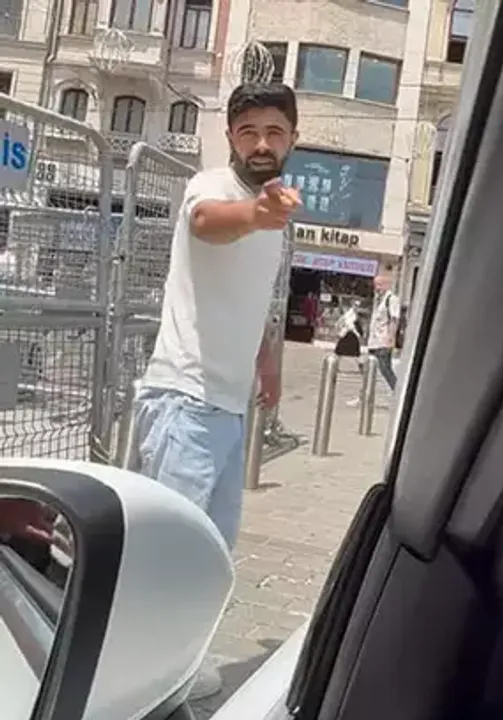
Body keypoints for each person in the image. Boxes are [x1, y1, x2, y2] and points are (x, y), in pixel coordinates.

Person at [132, 82, 300, 699]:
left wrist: (267, 361)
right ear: (230, 136)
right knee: (171, 554)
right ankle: (141, 680)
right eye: (248, 132)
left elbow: (247, 295)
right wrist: (255, 215)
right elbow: (207, 224)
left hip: (226, 408)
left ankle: (172, 669)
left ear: (292, 139)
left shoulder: (272, 211)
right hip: (185, 399)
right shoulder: (214, 188)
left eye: (274, 132)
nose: (261, 144)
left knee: (210, 554)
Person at [367, 274, 400, 391]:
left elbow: (394, 319)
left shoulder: (392, 299)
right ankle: (365, 394)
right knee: (370, 369)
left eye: (380, 285)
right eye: (375, 285)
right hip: (374, 341)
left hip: (383, 341)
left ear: (387, 285)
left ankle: (397, 391)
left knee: (385, 369)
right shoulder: (378, 299)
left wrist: (390, 338)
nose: (377, 288)